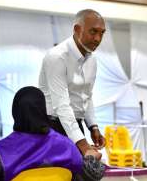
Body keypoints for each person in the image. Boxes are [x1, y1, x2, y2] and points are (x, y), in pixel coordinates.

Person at [0, 86, 105, 181]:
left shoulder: (0, 152)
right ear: (43, 110)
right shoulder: (66, 145)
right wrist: (92, 159)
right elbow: (91, 175)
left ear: (15, 112)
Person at [39, 9, 106, 160]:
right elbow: (61, 105)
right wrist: (83, 145)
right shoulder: (57, 57)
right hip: (53, 127)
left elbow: (86, 96)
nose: (98, 38)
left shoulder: (92, 60)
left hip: (76, 125)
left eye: (102, 33)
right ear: (77, 29)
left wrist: (93, 127)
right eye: (93, 32)